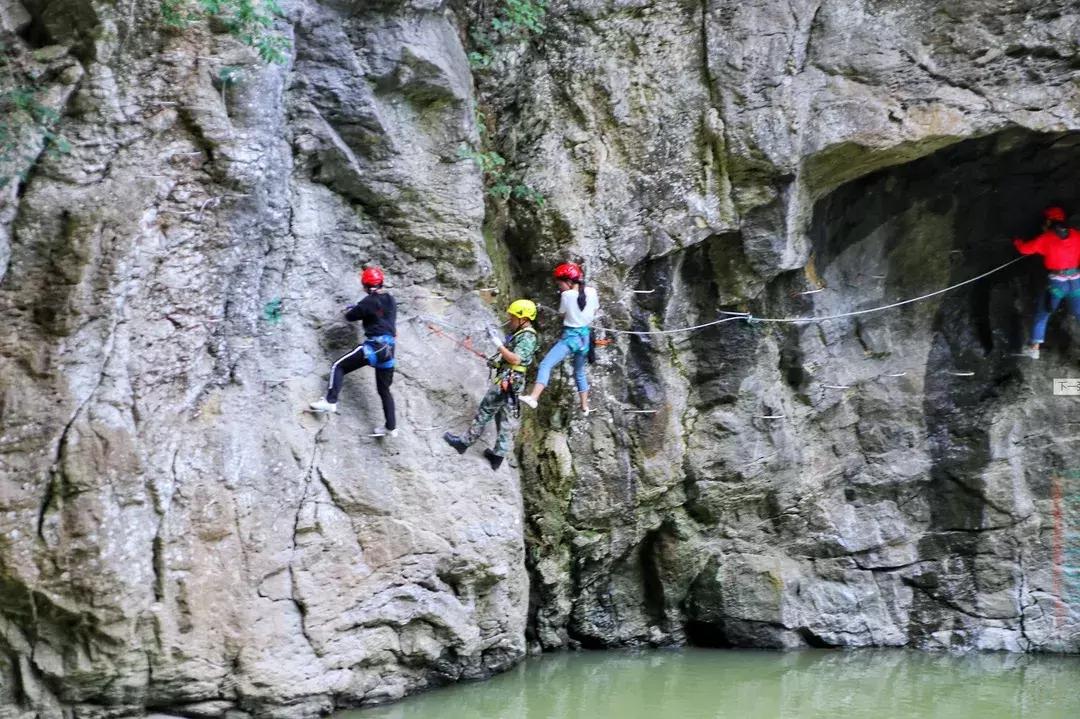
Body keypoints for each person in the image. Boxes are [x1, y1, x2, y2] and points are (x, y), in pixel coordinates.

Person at [443, 300, 539, 470]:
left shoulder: (527, 336)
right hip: (513, 378)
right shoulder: (523, 333)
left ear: (523, 318)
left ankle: (464, 442)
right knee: (504, 415)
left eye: (513, 317)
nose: (510, 320)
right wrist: (496, 364)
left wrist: (497, 344)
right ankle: (498, 455)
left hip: (509, 379)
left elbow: (515, 359)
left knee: (487, 409)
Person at [309, 267, 397, 437]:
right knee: (384, 390)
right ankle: (391, 427)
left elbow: (350, 317)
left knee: (338, 366)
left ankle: (330, 401)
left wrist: (353, 309)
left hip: (375, 347)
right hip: (390, 351)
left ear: (365, 285)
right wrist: (361, 308)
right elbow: (379, 313)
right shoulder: (390, 300)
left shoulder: (368, 302)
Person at [519, 262, 600, 413]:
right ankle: (584, 406)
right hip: (585, 339)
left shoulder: (567, 295)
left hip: (571, 338)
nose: (559, 287)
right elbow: (594, 310)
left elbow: (563, 313)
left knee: (545, 364)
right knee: (579, 372)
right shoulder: (592, 292)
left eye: (560, 284)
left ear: (568, 282)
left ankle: (533, 398)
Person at [1014, 206, 1080, 359]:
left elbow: (1024, 249)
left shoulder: (1046, 238)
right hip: (1077, 281)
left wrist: (1017, 242)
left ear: (1049, 221)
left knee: (1043, 313)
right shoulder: (1077, 235)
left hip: (1057, 284)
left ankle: (1034, 348)